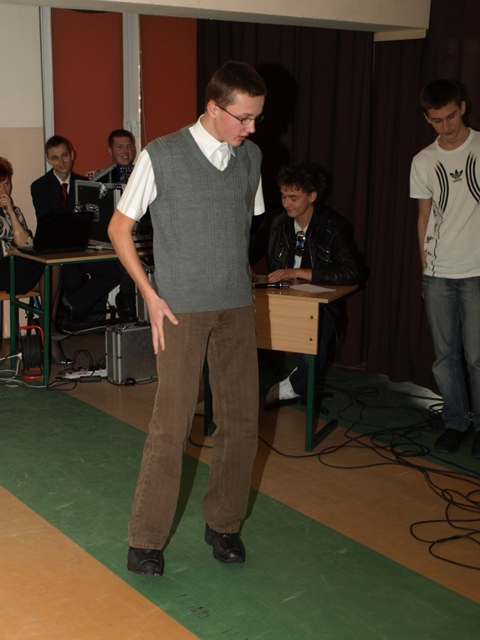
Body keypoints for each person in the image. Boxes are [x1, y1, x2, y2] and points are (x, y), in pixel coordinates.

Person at [108, 60, 266, 577]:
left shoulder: (251, 158)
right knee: (170, 425)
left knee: (241, 422)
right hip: (179, 310)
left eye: (257, 117)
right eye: (243, 117)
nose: (251, 128)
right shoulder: (163, 154)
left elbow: (242, 229)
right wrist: (151, 295)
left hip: (236, 307)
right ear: (213, 108)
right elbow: (119, 228)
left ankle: (225, 524)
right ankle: (146, 540)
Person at [249, 162, 365, 406]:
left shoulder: (333, 226)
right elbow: (247, 252)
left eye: (294, 198)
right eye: (283, 196)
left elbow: (353, 271)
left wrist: (299, 272)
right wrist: (244, 266)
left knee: (314, 348)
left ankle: (293, 386)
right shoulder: (275, 223)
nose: (286, 203)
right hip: (278, 299)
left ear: (312, 196)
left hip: (320, 306)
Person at [410, 79, 480, 457]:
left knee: (477, 357)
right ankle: (455, 421)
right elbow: (423, 218)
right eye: (437, 120)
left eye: (451, 116)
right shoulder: (423, 160)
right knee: (444, 358)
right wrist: (427, 271)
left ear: (463, 107)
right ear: (427, 118)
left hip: (477, 271)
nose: (446, 126)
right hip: (439, 274)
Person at [30, 136, 122, 326]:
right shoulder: (39, 186)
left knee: (113, 272)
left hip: (82, 248)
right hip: (54, 250)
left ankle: (70, 305)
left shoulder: (85, 183)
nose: (61, 162)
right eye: (55, 158)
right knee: (72, 278)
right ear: (48, 160)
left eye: (64, 155)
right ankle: (66, 317)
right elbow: (49, 222)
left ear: (72, 155)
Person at [0, 157, 68, 364]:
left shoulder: (14, 210)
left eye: (6, 184)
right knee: (48, 267)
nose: (4, 190)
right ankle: (48, 328)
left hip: (14, 267)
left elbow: (25, 243)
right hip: (3, 269)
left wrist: (10, 212)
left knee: (52, 266)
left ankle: (47, 324)